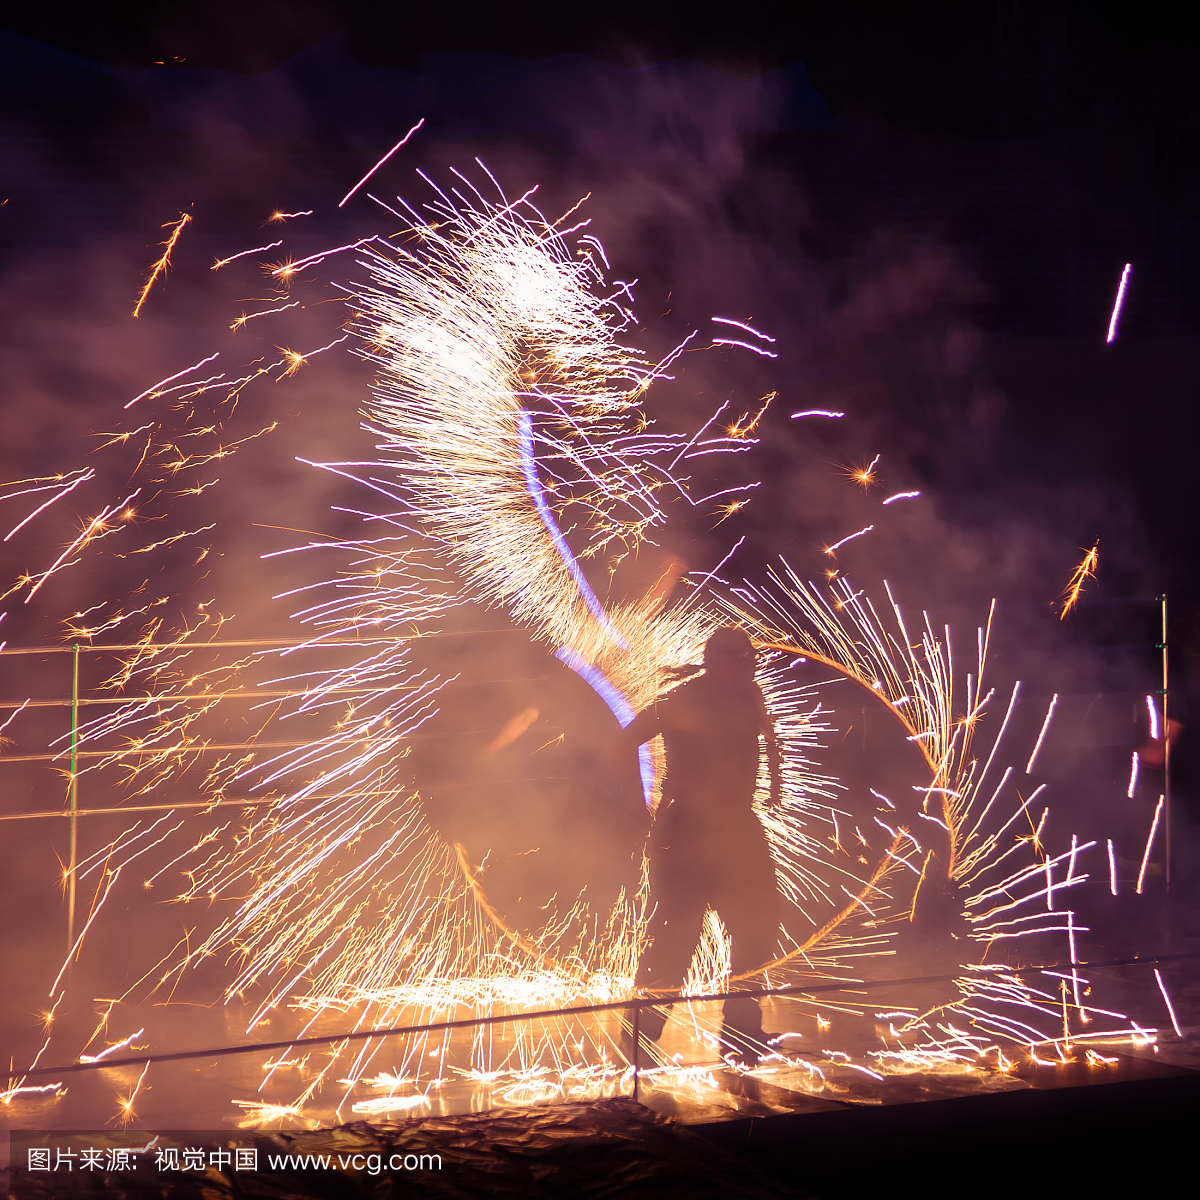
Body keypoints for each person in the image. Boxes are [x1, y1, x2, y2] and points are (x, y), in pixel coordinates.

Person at [623, 626, 782, 1062]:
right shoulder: (681, 700)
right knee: (678, 933)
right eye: (738, 659)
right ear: (715, 662)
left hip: (736, 827)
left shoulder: (749, 695)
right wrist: (638, 809)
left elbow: (766, 740)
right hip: (687, 829)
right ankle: (638, 1034)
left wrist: (775, 785)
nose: (747, 666)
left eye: (749, 659)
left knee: (759, 923)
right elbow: (621, 743)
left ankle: (742, 1034)